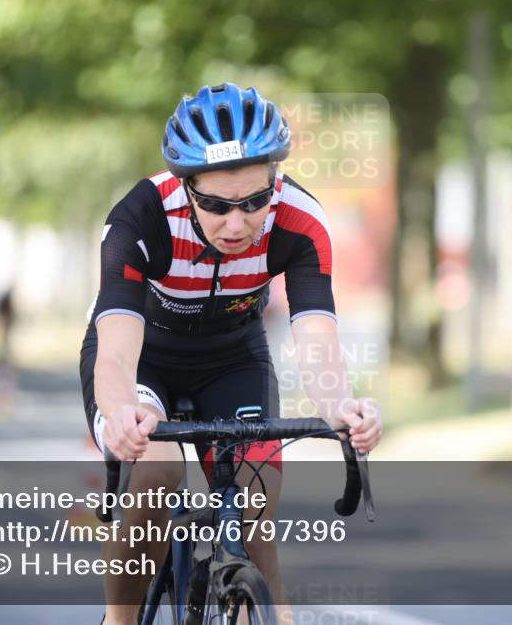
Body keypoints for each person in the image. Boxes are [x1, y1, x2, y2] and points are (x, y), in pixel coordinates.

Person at [79, 82, 383, 624]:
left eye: (254, 201)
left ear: (275, 179)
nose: (236, 224)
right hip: (144, 361)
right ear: (185, 186)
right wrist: (121, 413)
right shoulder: (139, 219)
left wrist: (341, 407)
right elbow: (117, 355)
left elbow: (316, 337)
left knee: (255, 505)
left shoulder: (300, 219)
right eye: (216, 205)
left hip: (233, 359)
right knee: (156, 473)